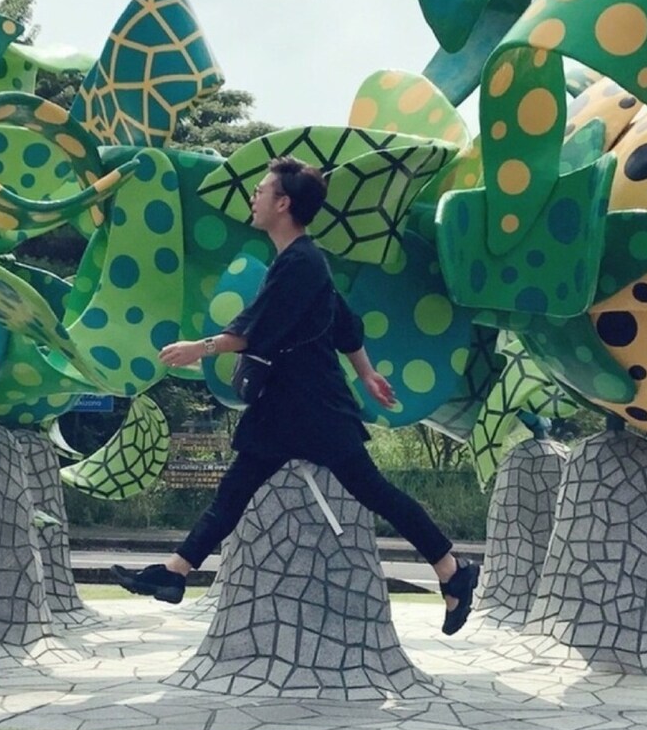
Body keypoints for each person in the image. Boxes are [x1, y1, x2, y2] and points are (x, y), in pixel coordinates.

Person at [111, 157, 478, 634]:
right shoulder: (300, 261)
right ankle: (176, 572)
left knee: (373, 491)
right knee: (235, 491)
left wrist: (199, 348)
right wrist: (367, 374)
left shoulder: (301, 263)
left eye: (261, 190)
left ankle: (452, 570)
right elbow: (344, 323)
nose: (254, 197)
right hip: (286, 406)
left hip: (315, 407)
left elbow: (254, 330)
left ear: (283, 203)